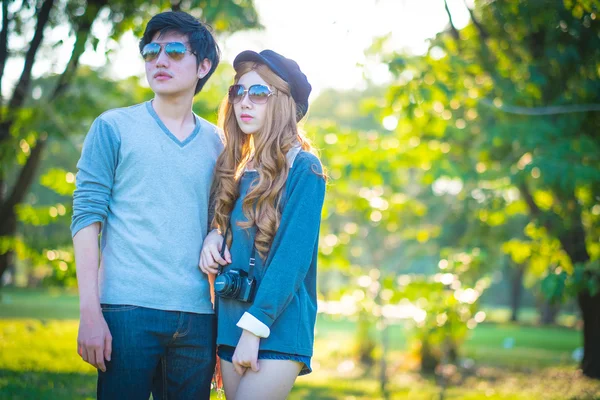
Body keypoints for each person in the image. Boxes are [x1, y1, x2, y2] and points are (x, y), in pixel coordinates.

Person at [71, 11, 222, 399]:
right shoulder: (113, 126)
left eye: (174, 51)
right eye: (151, 51)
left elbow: (224, 220)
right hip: (126, 311)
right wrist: (90, 312)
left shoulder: (219, 143)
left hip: (198, 317)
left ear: (203, 66)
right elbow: (87, 217)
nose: (159, 60)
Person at [199, 50, 326, 400]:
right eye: (238, 92)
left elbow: (293, 259)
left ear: (284, 104)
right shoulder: (235, 167)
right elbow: (225, 227)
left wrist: (254, 330)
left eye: (258, 93)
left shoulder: (305, 169)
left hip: (276, 328)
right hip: (229, 324)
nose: (244, 102)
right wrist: (214, 235)